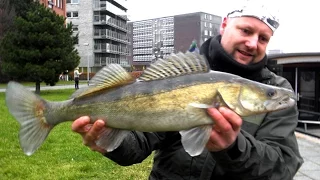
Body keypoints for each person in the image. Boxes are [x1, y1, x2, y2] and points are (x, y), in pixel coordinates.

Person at [71, 3, 303, 179]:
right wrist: (111, 141)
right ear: (224, 25)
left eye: (263, 38)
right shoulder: (180, 74)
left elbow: (283, 167)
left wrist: (234, 148)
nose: (253, 43)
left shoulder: (280, 91)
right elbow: (139, 143)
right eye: (246, 30)